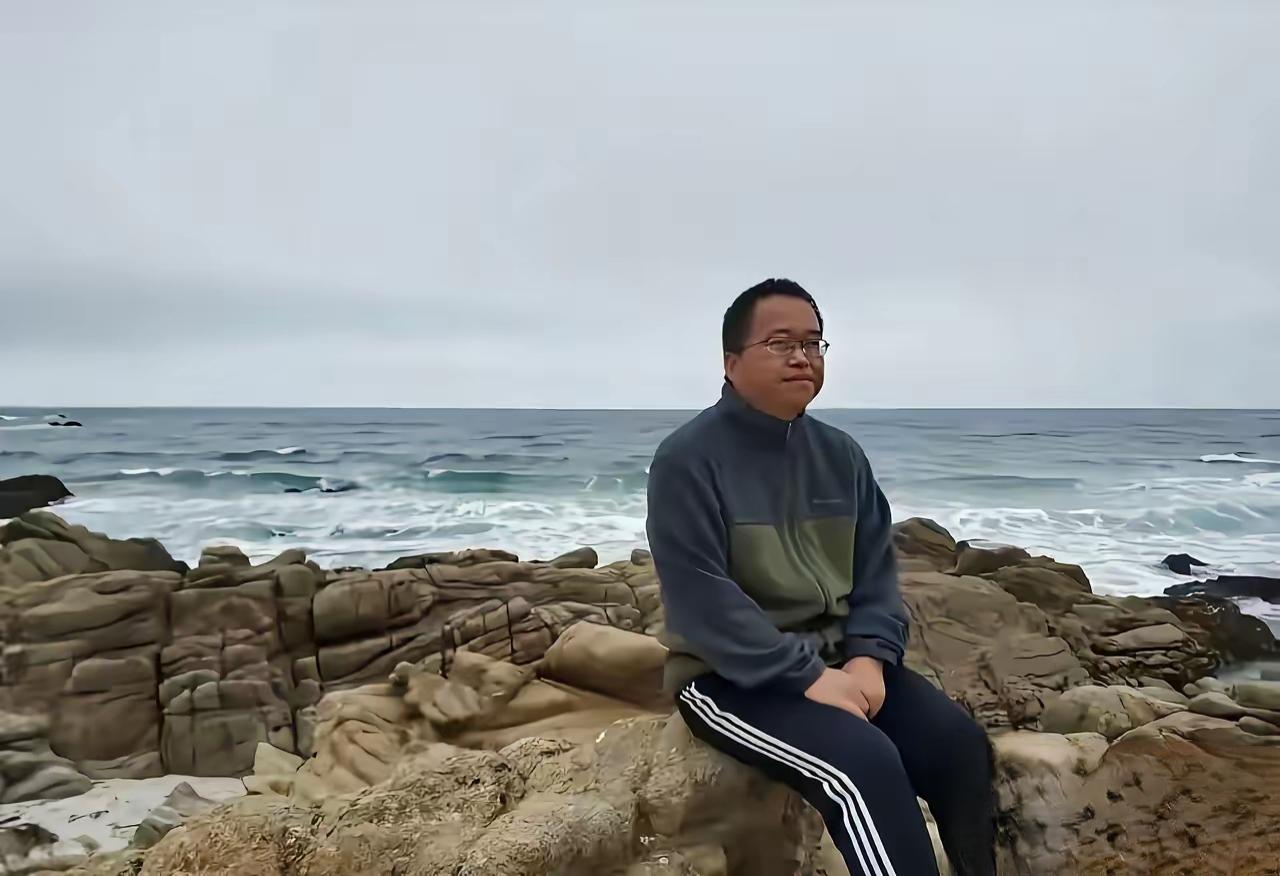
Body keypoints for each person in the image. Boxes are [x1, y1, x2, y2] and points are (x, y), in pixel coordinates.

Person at [645, 279, 997, 875]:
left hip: (840, 662)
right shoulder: (687, 460)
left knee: (959, 747)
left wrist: (868, 659)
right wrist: (807, 676)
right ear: (731, 363)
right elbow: (702, 601)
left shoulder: (841, 455)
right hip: (728, 679)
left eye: (813, 343)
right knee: (863, 765)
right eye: (780, 343)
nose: (802, 357)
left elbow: (875, 575)